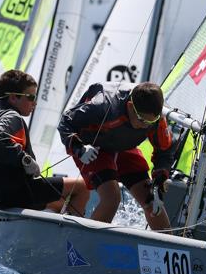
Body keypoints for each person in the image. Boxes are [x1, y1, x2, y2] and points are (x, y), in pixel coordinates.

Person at [0, 69, 89, 215]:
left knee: (59, 203)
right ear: (13, 98)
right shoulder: (12, 116)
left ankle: (45, 231)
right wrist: (25, 160)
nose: (34, 103)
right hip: (15, 194)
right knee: (82, 187)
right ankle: (70, 236)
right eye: (30, 97)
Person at [57, 81, 175, 231]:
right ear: (131, 106)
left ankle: (168, 248)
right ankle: (84, 244)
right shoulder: (102, 105)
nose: (146, 126)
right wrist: (79, 148)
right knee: (112, 198)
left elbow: (164, 151)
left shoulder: (156, 120)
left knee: (151, 199)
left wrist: (158, 184)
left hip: (124, 146)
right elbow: (66, 122)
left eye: (151, 121)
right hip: (93, 149)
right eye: (142, 120)